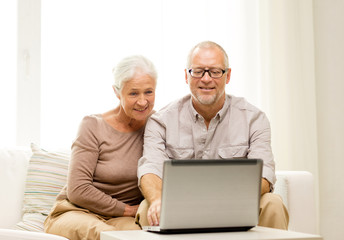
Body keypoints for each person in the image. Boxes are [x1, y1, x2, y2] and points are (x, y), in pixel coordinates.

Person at [137, 41, 289, 229]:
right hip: (180, 205)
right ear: (186, 75)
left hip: (237, 203)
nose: (206, 79)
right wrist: (157, 200)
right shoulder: (161, 121)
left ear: (228, 75)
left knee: (273, 203)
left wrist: (225, 202)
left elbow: (265, 173)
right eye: (198, 71)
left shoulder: (254, 119)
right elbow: (150, 170)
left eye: (215, 72)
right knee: (147, 208)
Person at [44, 55, 157, 240]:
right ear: (117, 92)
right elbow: (78, 189)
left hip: (120, 219)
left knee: (140, 237)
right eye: (134, 93)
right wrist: (127, 209)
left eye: (149, 92)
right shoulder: (92, 125)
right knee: (103, 234)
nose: (143, 101)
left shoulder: (157, 126)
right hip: (75, 212)